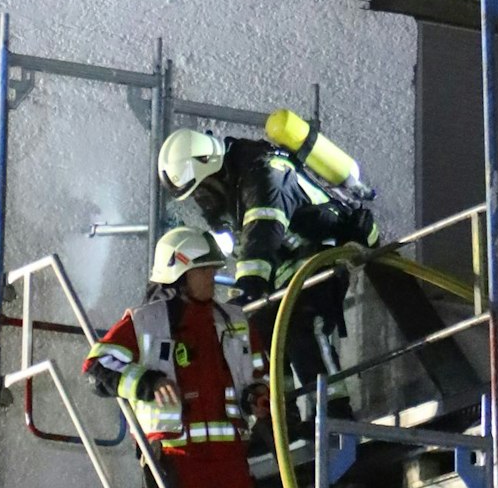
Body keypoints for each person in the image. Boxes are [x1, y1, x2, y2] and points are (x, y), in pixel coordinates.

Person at [86, 228, 269, 488]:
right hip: (175, 467)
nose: (212, 278)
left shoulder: (235, 322)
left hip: (230, 468)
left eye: (213, 269)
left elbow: (258, 375)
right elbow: (98, 369)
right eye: (204, 270)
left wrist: (258, 395)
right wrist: (147, 382)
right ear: (177, 272)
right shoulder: (144, 322)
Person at [159, 125, 377, 398]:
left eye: (201, 189)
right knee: (261, 334)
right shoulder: (232, 189)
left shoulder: (264, 175)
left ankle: (335, 412)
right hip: (290, 270)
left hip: (328, 253)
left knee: (302, 326)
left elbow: (262, 237)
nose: (201, 198)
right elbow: (244, 246)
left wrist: (245, 291)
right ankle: (282, 415)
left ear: (211, 169)